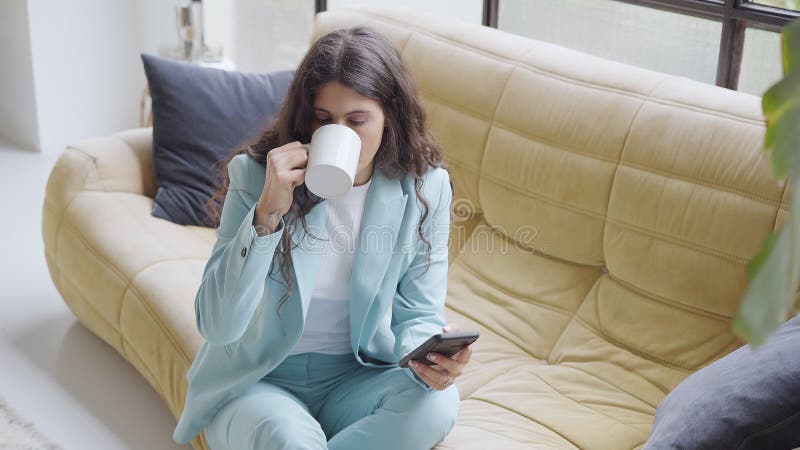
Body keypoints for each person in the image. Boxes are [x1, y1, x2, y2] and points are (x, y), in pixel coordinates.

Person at [171, 25, 473, 450]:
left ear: (391, 114)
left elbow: (419, 312)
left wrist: (432, 355)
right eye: (323, 119)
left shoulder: (425, 187)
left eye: (357, 120)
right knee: (286, 438)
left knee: (437, 406)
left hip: (360, 376)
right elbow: (218, 327)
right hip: (262, 380)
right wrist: (267, 214)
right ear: (304, 117)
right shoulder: (256, 176)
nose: (340, 134)